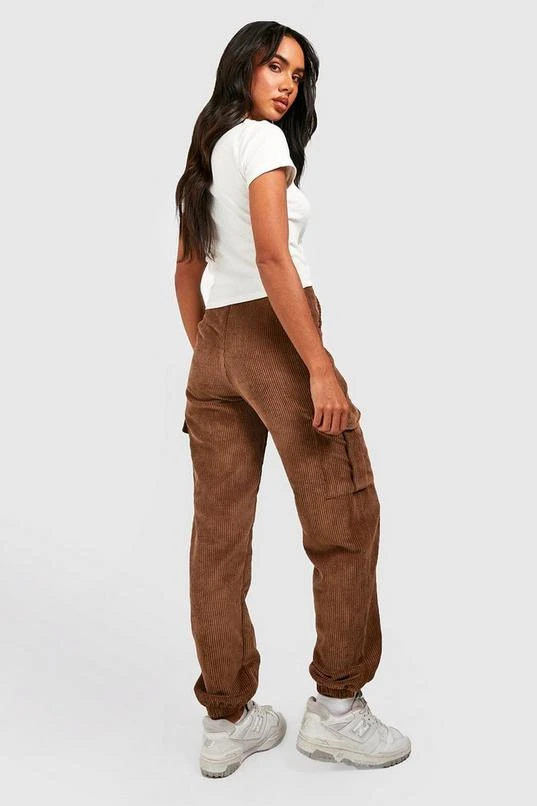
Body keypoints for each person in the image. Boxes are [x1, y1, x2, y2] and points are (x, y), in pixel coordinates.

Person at [174, 21, 411, 778]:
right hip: (277, 335)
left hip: (216, 346)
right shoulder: (262, 141)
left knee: (218, 541)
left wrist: (215, 352)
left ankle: (226, 719)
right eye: (274, 66)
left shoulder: (207, 151)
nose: (286, 84)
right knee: (344, 515)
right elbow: (275, 257)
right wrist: (317, 367)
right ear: (241, 67)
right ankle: (337, 710)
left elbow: (186, 271)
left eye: (297, 75)